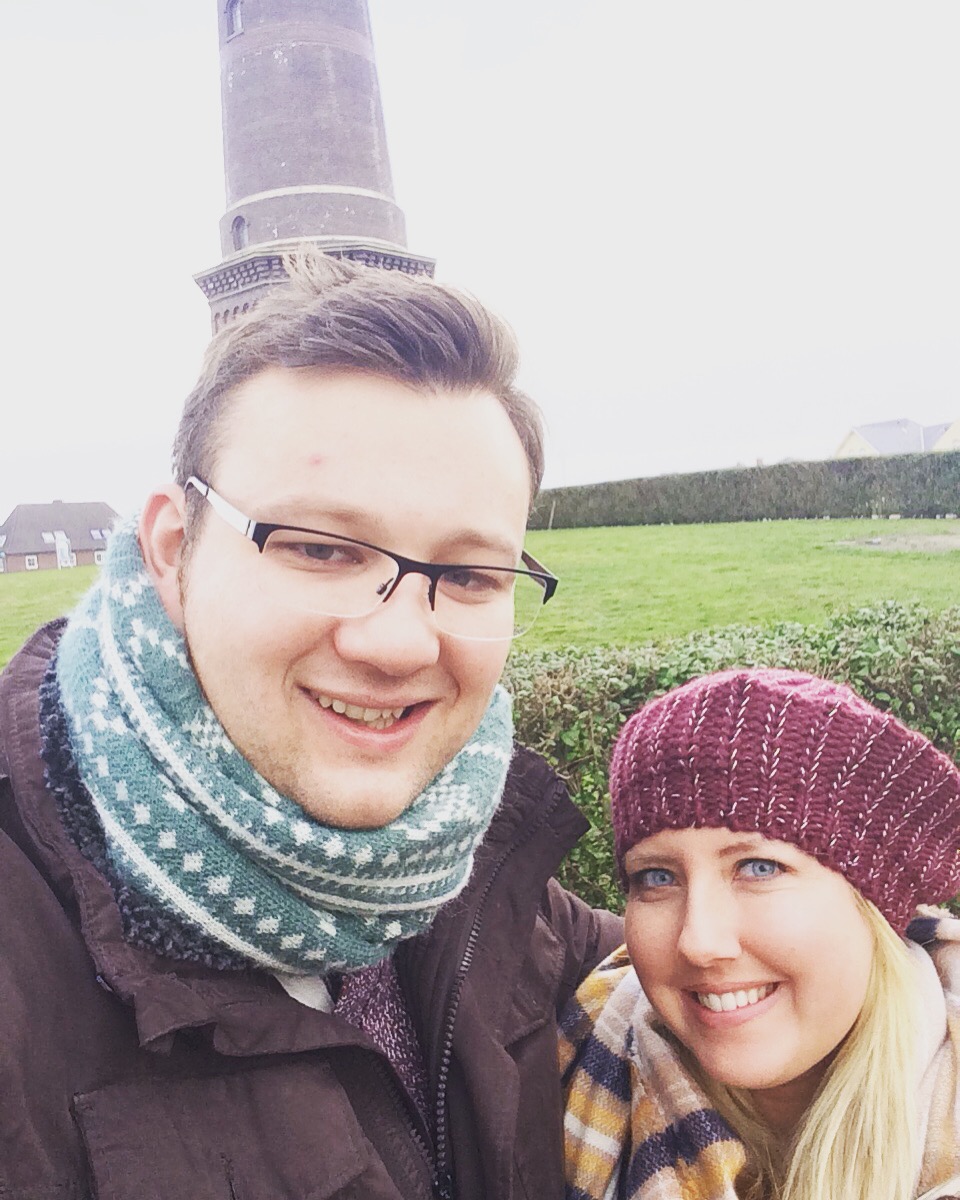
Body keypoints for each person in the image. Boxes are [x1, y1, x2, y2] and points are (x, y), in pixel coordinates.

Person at [0, 252, 621, 1200]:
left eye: (468, 575)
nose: (398, 642)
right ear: (173, 550)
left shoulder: (467, 845)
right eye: (323, 550)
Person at [561, 668, 960, 1200]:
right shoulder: (565, 1061)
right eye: (656, 878)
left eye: (759, 868)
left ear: (874, 908)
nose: (698, 942)